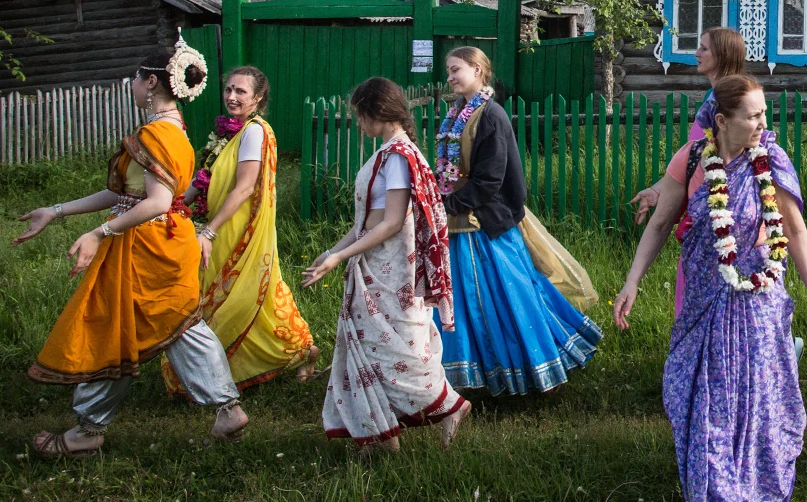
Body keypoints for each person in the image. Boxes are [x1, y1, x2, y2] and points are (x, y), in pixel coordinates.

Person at [12, 44, 249, 458]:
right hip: (166, 240)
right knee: (179, 324)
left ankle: (88, 430)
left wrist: (100, 233)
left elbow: (155, 202)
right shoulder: (174, 131)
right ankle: (226, 409)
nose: (133, 85)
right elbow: (124, 194)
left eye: (137, 78)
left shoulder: (154, 134)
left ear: (152, 81)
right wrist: (55, 210)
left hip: (145, 245)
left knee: (114, 327)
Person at [614, 74, 807, 501]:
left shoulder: (771, 159)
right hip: (704, 289)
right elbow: (661, 223)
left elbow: (793, 230)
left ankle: (756, 477)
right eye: (753, 115)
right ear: (721, 119)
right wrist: (632, 281)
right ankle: (716, 484)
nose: (763, 122)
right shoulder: (694, 157)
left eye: (764, 113)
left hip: (759, 293)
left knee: (756, 389)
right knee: (708, 391)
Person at [304, 77, 468, 456]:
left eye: (360, 115)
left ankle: (450, 407)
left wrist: (339, 257)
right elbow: (368, 220)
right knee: (370, 345)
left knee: (397, 351)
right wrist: (331, 252)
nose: (358, 124)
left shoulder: (398, 157)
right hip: (374, 264)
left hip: (394, 272)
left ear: (377, 113)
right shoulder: (387, 154)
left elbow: (392, 222)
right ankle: (382, 434)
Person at [433, 47, 601, 394]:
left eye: (455, 70)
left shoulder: (490, 116)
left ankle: (536, 366)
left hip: (485, 221)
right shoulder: (457, 113)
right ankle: (472, 372)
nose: (449, 77)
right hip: (458, 220)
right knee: (466, 302)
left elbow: (491, 179)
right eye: (448, 71)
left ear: (478, 69)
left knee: (512, 297)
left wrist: (448, 203)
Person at [166, 65, 317, 394]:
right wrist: (175, 206)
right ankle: (230, 365)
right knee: (237, 295)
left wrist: (209, 232)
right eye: (228, 90)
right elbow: (204, 176)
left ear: (258, 97)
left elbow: (245, 187)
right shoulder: (229, 132)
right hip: (219, 224)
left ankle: (299, 350)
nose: (232, 97)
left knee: (246, 295)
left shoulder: (254, 132)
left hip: (236, 229)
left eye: (241, 92)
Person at [629, 26, 747, 315]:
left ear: (722, 53)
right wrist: (660, 189)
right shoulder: (713, 95)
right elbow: (693, 156)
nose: (697, 53)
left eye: (704, 48)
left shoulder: (732, 100)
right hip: (705, 211)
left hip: (726, 214)